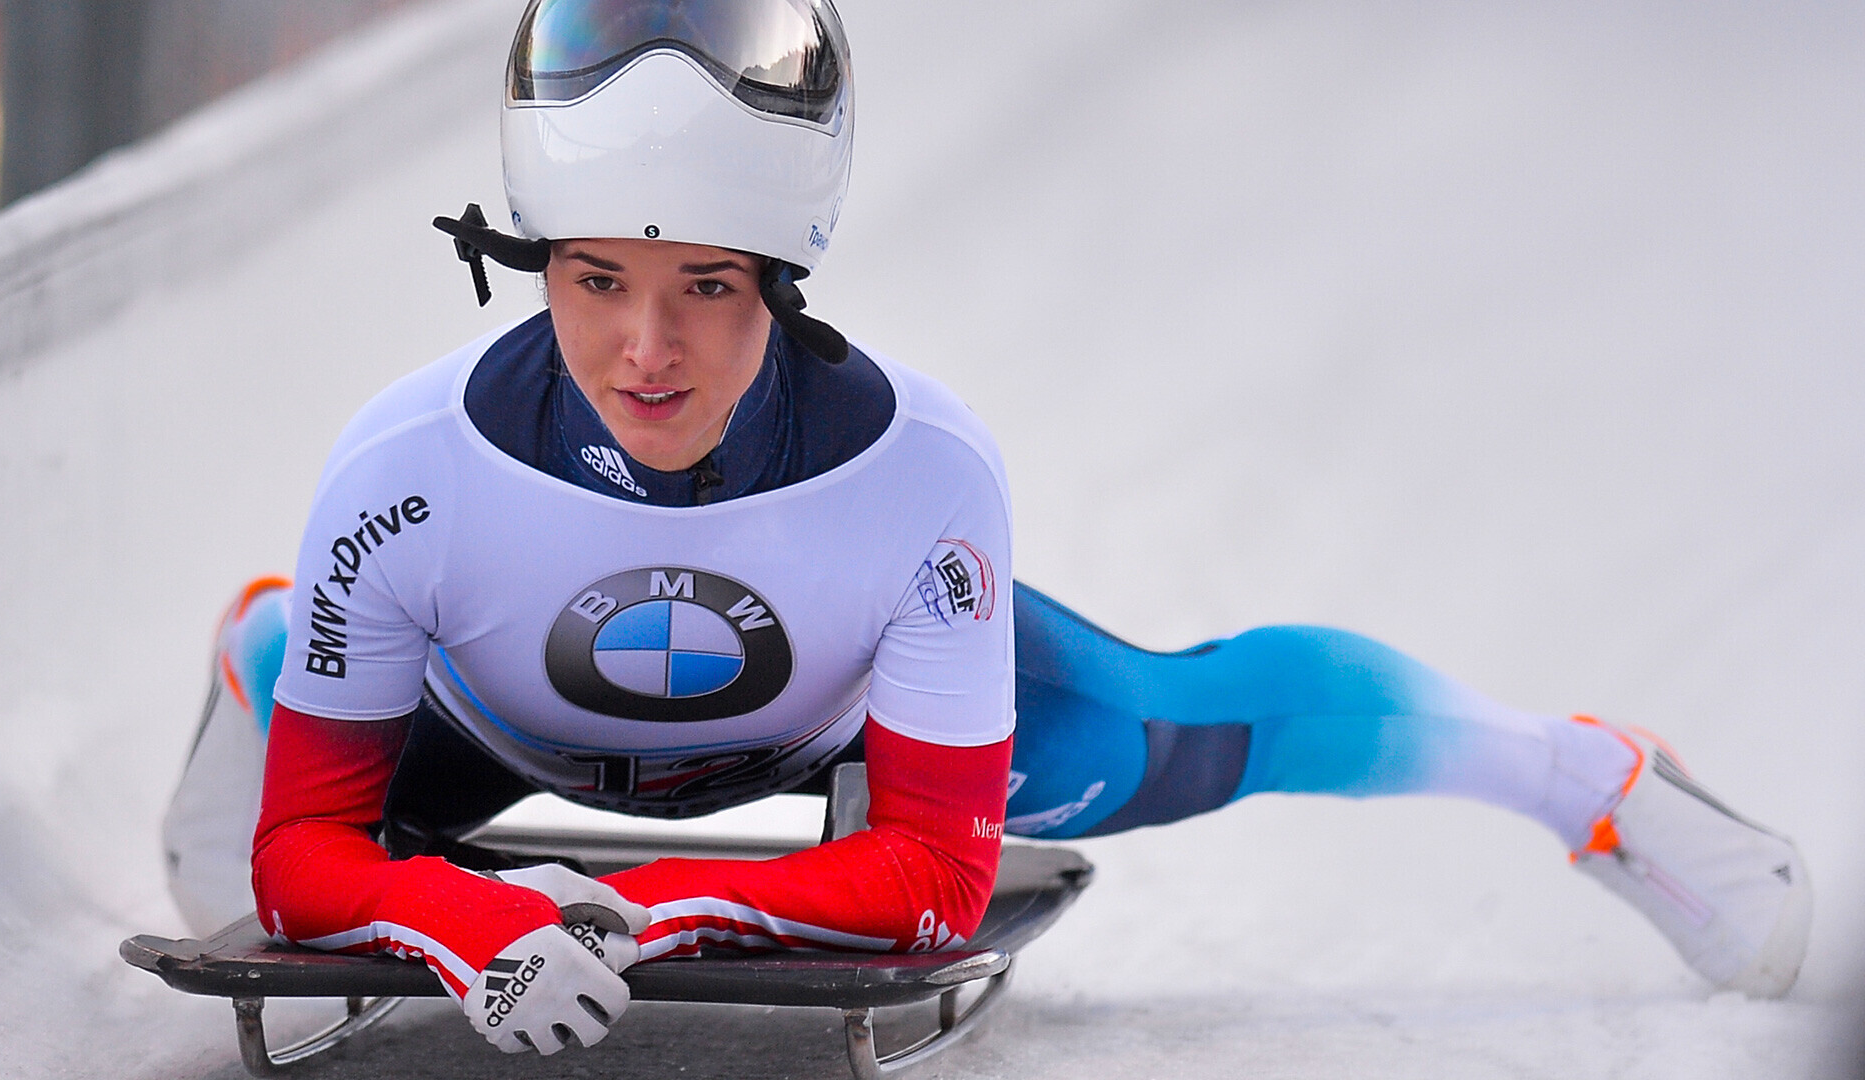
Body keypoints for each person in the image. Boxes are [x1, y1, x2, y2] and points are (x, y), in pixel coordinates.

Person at [161, 0, 1811, 1057]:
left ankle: (1589, 782)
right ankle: (268, 640)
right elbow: (298, 867)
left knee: (1168, 725)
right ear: (537, 265)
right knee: (309, 644)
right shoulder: (401, 467)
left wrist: (628, 908)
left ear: (783, 279)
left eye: (707, 291)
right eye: (597, 282)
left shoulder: (921, 475)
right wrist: (474, 918)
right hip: (494, 713)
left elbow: (939, 878)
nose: (644, 353)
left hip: (830, 727)